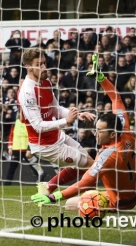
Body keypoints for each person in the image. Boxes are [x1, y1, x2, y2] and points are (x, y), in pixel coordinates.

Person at [31, 54, 136, 211]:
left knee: (70, 204)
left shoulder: (109, 155)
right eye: (96, 129)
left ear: (112, 134)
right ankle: (51, 185)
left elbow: (86, 182)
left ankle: (53, 189)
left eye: (100, 131)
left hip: (121, 201)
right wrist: (101, 78)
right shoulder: (124, 128)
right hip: (132, 191)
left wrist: (54, 197)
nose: (95, 133)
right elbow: (116, 98)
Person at [17, 48, 95, 169]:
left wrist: (75, 114)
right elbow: (37, 126)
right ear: (28, 67)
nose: (44, 67)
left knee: (86, 161)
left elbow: (55, 108)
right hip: (44, 146)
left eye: (44, 63)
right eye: (38, 64)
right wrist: (66, 121)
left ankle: (48, 187)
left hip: (56, 136)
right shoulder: (27, 93)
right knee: (92, 165)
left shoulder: (46, 81)